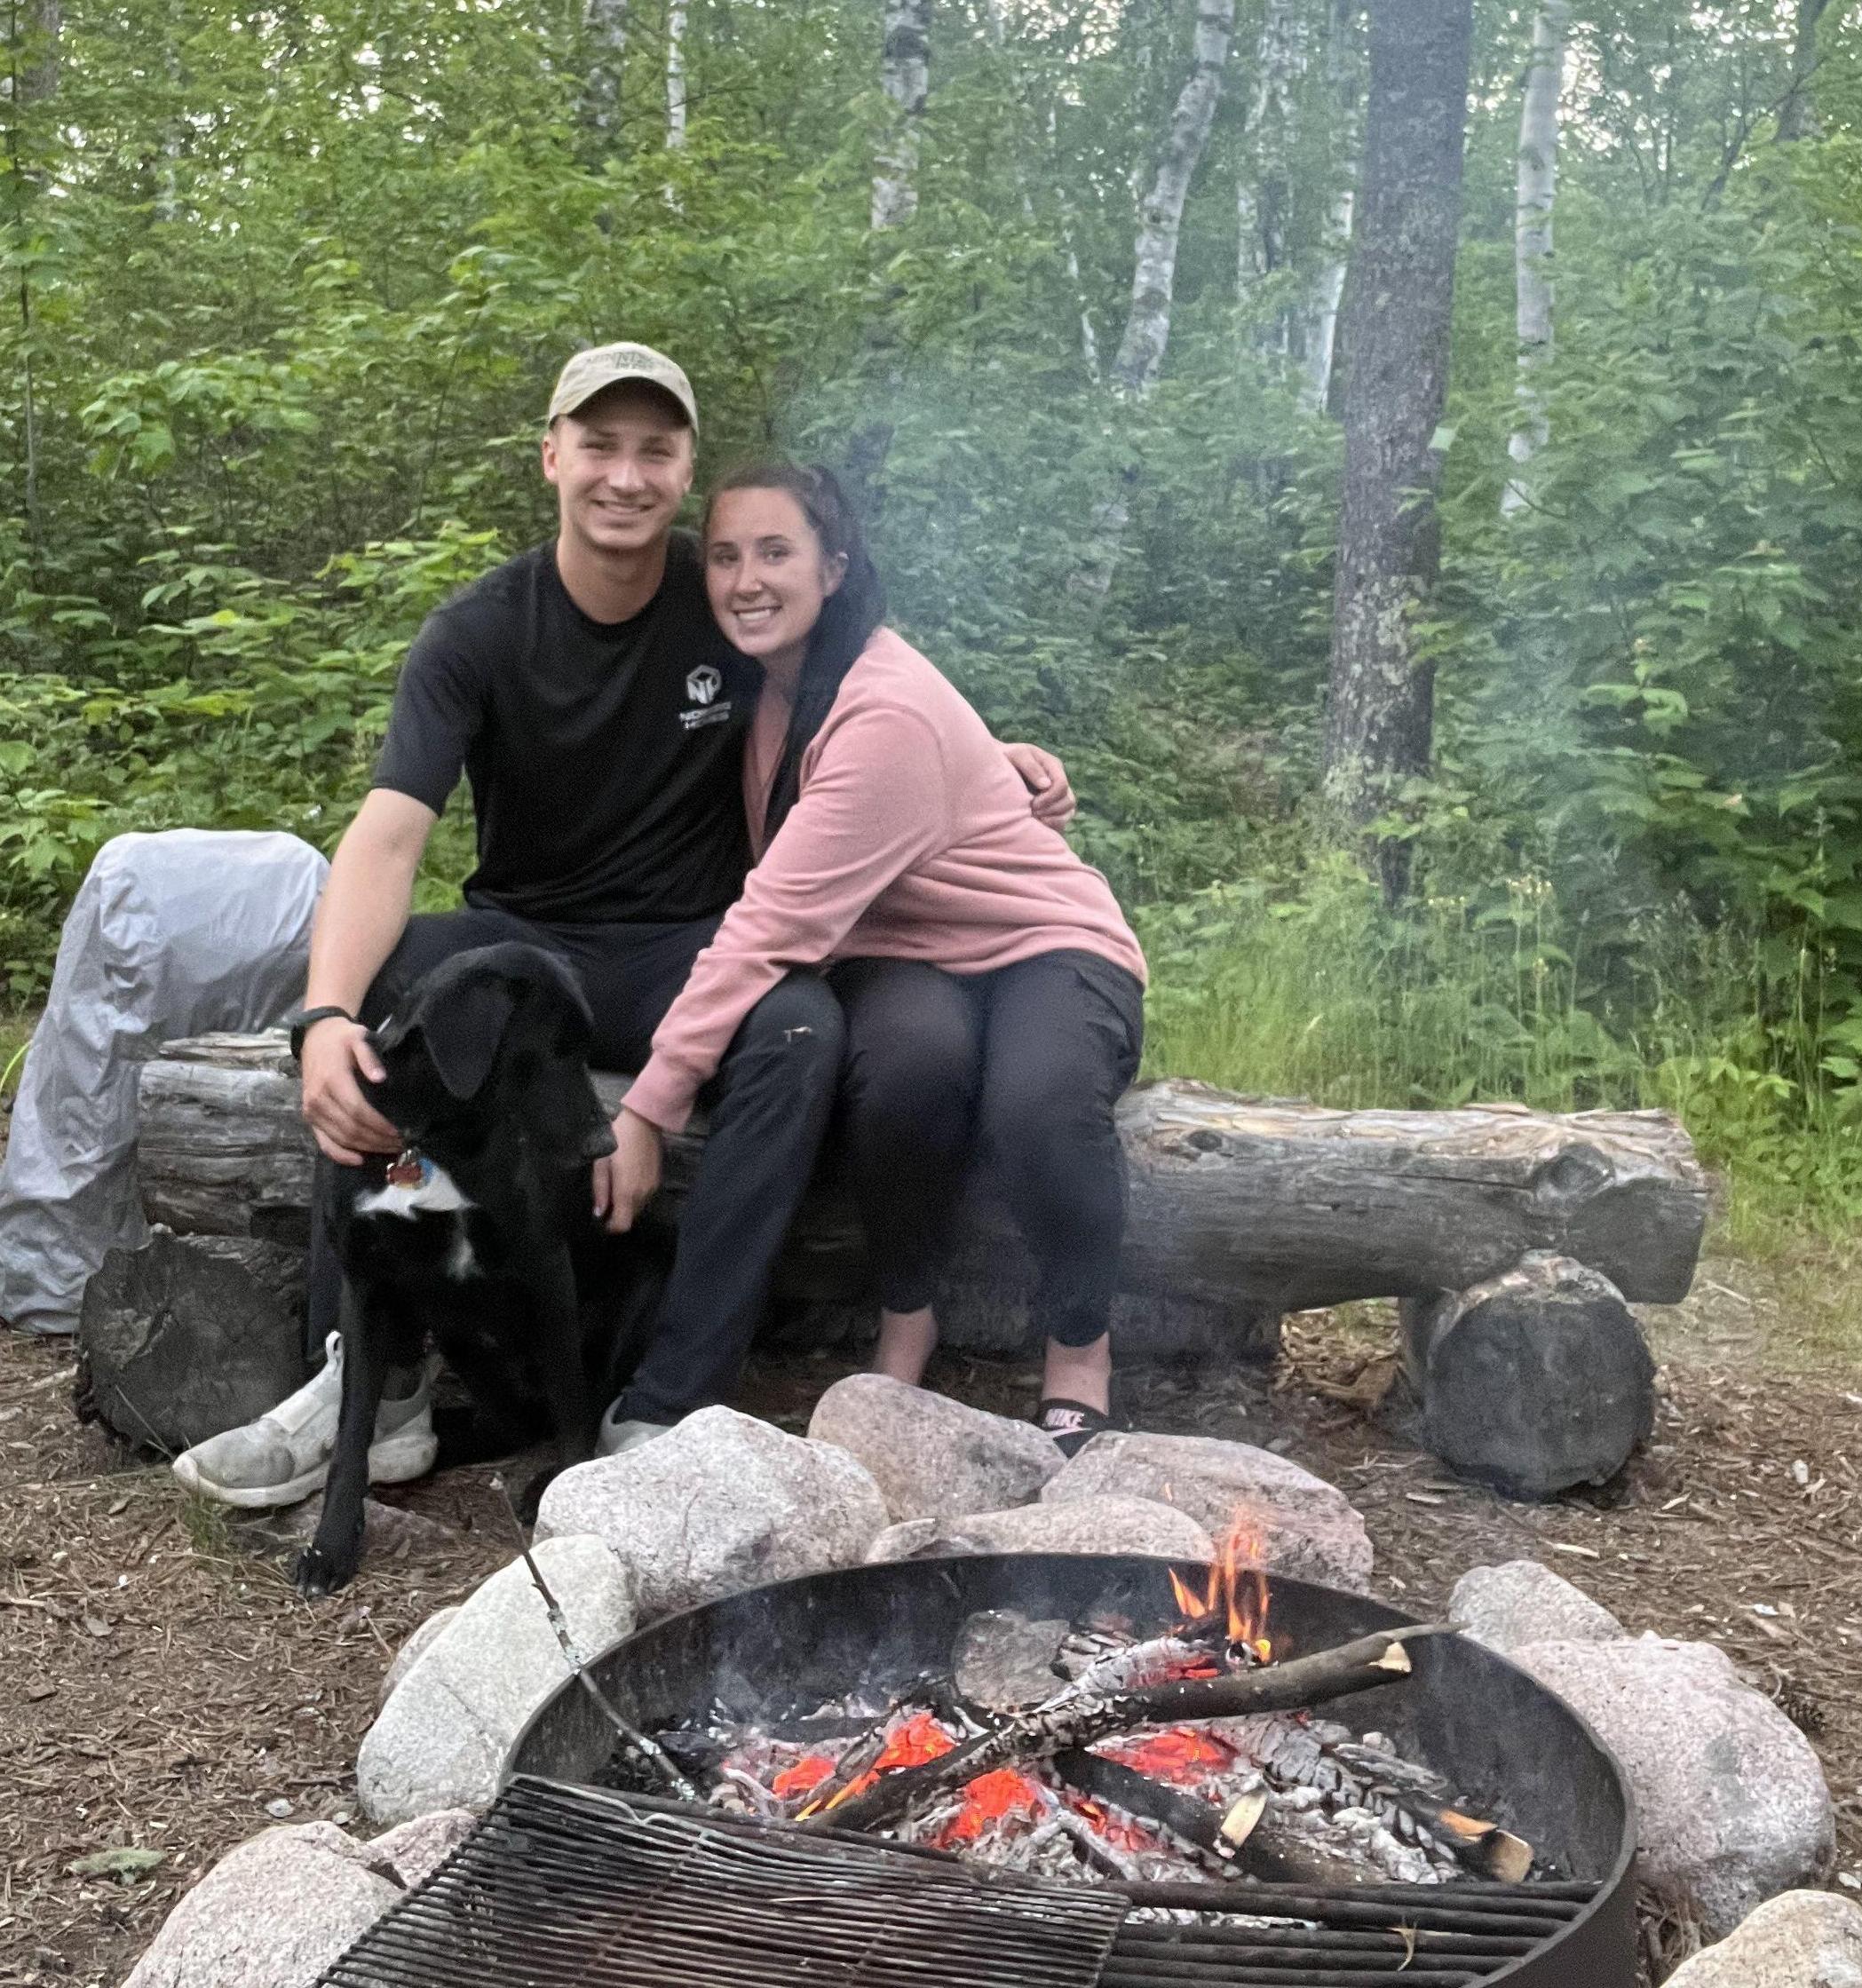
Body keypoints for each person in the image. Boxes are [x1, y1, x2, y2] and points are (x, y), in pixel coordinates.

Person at [172, 346, 1070, 1508]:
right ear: (551, 456)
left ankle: (663, 1402)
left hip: (682, 941)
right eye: (599, 445)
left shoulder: (724, 592)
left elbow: (862, 682)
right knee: (388, 1008)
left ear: (684, 469)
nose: (625, 475)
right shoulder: (479, 632)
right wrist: (323, 1015)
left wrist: (981, 763)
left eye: (655, 450)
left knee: (797, 1025)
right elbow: (389, 834)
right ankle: (372, 1375)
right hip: (523, 941)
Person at [612, 461, 1146, 1456]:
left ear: (835, 567)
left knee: (1037, 1099)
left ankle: (1078, 1342)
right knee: (903, 1071)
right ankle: (910, 1311)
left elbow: (770, 921)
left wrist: (651, 1102)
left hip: (1044, 938)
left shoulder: (876, 704)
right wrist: (997, 748)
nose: (746, 579)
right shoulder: (762, 680)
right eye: (725, 556)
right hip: (902, 947)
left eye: (776, 552)